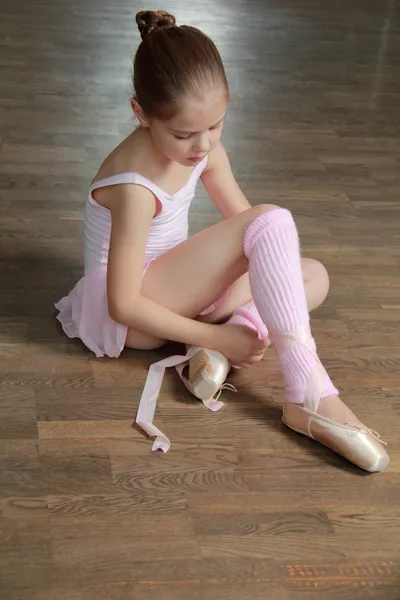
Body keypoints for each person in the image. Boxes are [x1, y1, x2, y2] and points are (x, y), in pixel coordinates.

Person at [56, 9, 389, 471]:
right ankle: (307, 393)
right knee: (273, 224)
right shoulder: (134, 187)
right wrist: (216, 330)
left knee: (312, 274)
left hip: (180, 292)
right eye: (185, 133)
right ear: (141, 113)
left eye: (216, 125)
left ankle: (222, 345)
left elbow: (251, 231)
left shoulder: (202, 146)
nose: (203, 145)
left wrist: (263, 291)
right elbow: (123, 304)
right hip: (136, 315)